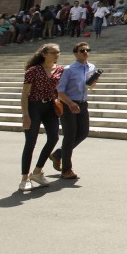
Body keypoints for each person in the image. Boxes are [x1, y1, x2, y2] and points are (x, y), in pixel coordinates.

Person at [19, 43, 64, 191]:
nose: (56, 55)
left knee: (54, 138)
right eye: (53, 52)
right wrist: (25, 114)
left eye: (58, 52)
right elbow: (25, 94)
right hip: (34, 107)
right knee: (30, 142)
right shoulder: (33, 70)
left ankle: (37, 172)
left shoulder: (60, 70)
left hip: (50, 107)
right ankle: (24, 178)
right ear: (44, 54)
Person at [51, 42, 98, 180]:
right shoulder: (68, 69)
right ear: (75, 53)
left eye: (87, 50)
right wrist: (70, 103)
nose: (85, 52)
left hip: (83, 103)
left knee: (83, 133)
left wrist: (94, 81)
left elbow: (91, 86)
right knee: (70, 135)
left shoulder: (92, 67)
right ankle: (66, 170)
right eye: (82, 50)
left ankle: (58, 154)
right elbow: (59, 90)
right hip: (68, 104)